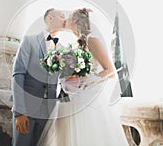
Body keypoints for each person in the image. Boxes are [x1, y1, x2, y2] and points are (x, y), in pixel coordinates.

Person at [38, 8, 129, 145]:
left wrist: (85, 82)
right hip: (70, 98)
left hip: (86, 99)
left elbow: (110, 71)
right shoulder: (76, 44)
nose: (65, 20)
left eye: (67, 17)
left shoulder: (92, 39)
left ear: (74, 20)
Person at [12, 8, 66, 146]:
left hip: (49, 112)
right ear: (50, 18)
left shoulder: (63, 49)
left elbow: (66, 80)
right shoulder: (29, 41)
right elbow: (18, 75)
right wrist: (19, 112)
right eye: (61, 16)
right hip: (27, 109)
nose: (65, 19)